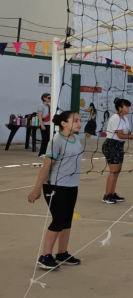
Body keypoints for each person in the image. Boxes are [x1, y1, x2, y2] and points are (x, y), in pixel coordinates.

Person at [28, 111, 84, 270]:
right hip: (55, 185)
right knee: (58, 220)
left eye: (80, 120)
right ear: (64, 123)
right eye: (75, 120)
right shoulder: (56, 141)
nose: (79, 123)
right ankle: (45, 256)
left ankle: (62, 253)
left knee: (67, 221)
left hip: (72, 185)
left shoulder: (76, 139)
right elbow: (46, 166)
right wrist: (37, 188)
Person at [101, 98, 133, 204]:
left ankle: (112, 193)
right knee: (113, 171)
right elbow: (120, 135)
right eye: (126, 106)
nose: (128, 108)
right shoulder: (115, 118)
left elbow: (128, 135)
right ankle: (107, 196)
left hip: (119, 145)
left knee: (117, 171)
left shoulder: (125, 119)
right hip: (111, 145)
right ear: (120, 108)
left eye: (128, 106)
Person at [36, 93, 52, 158]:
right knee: (45, 139)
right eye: (49, 98)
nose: (50, 99)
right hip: (44, 124)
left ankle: (46, 152)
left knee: (48, 139)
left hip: (49, 124)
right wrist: (42, 125)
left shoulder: (49, 105)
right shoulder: (41, 105)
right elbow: (39, 116)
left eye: (50, 98)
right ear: (44, 98)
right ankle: (42, 153)